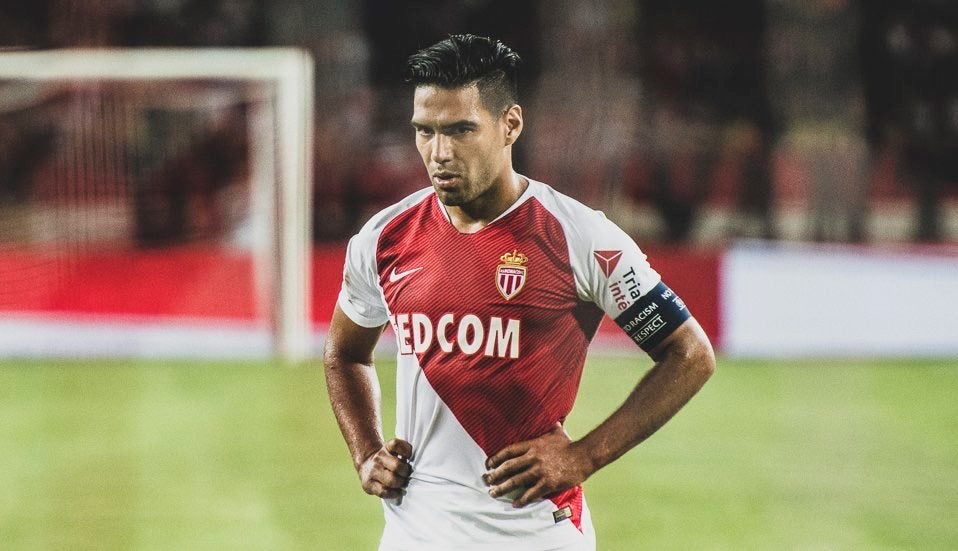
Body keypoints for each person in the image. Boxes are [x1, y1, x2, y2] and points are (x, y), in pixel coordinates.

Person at [323, 34, 715, 551]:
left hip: (534, 533)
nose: (439, 153)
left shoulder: (580, 237)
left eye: (461, 130)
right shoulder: (383, 237)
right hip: (412, 532)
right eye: (425, 131)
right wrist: (365, 452)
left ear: (510, 124)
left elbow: (689, 354)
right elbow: (345, 354)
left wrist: (583, 457)